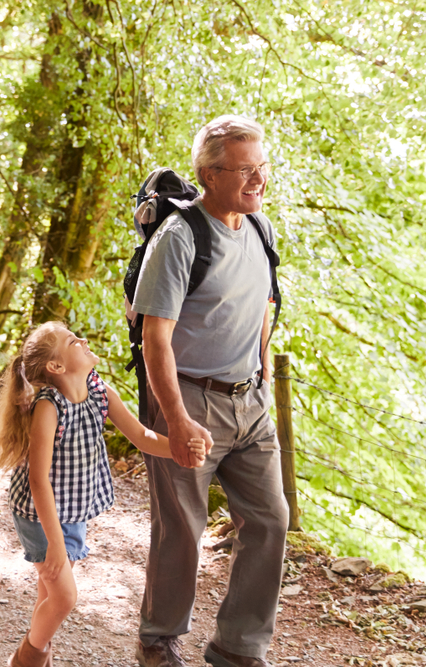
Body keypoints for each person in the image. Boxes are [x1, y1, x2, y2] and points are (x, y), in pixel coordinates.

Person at [132, 115, 288, 667]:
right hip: (189, 398)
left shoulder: (261, 229)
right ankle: (158, 638)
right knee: (182, 529)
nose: (258, 180)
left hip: (250, 404)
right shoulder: (180, 240)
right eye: (244, 170)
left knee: (270, 521)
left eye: (261, 167)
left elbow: (263, 307)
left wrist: (262, 373)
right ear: (208, 174)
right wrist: (174, 418)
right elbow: (155, 336)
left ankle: (237, 648)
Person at [0, 321, 205, 667]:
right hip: (39, 515)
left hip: (73, 512)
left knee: (50, 594)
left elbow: (142, 436)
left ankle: (37, 652)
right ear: (55, 367)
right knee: (65, 597)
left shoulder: (100, 392)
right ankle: (28, 657)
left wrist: (180, 450)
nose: (84, 340)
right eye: (74, 341)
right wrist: (55, 542)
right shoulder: (49, 407)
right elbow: (38, 480)